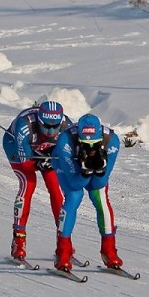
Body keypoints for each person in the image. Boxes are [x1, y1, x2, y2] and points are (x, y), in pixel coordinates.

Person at [52, 113, 122, 272]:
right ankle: (62, 251)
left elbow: (100, 183)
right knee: (74, 196)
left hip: (88, 170)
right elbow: (74, 182)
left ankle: (109, 251)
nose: (90, 149)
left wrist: (99, 170)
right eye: (85, 144)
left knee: (100, 197)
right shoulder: (65, 140)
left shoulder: (112, 141)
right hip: (65, 163)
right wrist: (84, 172)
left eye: (94, 144)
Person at [2, 101, 70, 261]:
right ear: (39, 121)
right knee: (28, 183)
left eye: (55, 127)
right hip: (17, 147)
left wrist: (53, 160)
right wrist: (40, 161)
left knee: (56, 189)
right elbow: (25, 162)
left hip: (45, 151)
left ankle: (63, 241)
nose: (51, 131)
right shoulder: (25, 126)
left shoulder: (67, 127)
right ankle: (18, 240)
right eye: (46, 126)